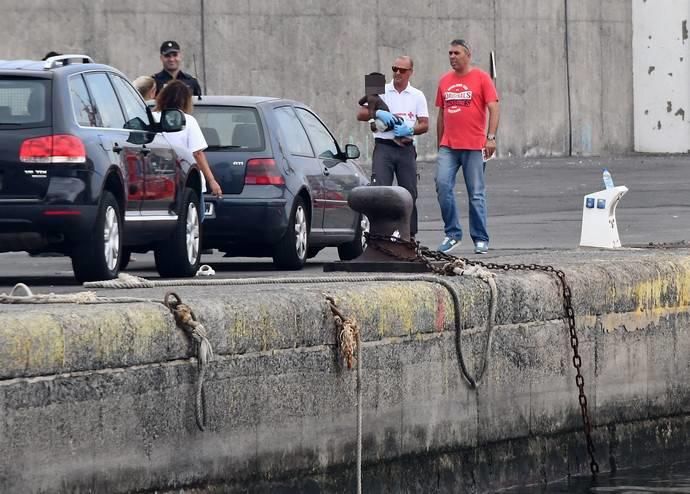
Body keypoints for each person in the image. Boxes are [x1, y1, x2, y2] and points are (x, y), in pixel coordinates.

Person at [435, 39, 500, 255]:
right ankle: (452, 234)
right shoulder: (444, 81)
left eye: (457, 53)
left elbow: (494, 107)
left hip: (474, 146)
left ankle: (480, 238)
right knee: (443, 185)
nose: (452, 57)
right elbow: (441, 114)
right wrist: (439, 143)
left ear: (467, 55)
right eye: (450, 53)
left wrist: (490, 138)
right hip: (449, 146)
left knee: (476, 194)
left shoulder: (481, 78)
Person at [356, 56, 429, 239]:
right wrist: (377, 112)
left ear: (410, 72)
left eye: (402, 70)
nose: (397, 73)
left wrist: (410, 129)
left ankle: (409, 236)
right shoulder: (379, 86)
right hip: (384, 146)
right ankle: (379, 235)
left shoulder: (417, 95)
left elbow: (425, 124)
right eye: (394, 68)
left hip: (405, 147)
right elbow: (360, 113)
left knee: (409, 192)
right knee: (379, 191)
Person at [153, 81, 221, 221]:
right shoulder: (188, 121)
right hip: (187, 180)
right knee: (193, 222)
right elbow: (197, 153)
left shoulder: (152, 117)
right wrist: (212, 180)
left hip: (157, 180)